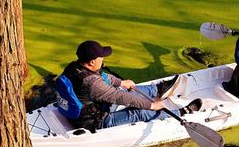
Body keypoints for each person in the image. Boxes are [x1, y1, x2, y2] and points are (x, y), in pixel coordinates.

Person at [60, 40, 200, 131]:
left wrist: (121, 82)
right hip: (94, 121)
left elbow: (103, 77)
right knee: (139, 112)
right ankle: (181, 112)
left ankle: (157, 89)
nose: (103, 60)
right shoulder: (92, 84)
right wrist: (152, 105)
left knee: (131, 90)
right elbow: (121, 97)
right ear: (91, 62)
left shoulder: (75, 66)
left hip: (92, 105)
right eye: (101, 58)